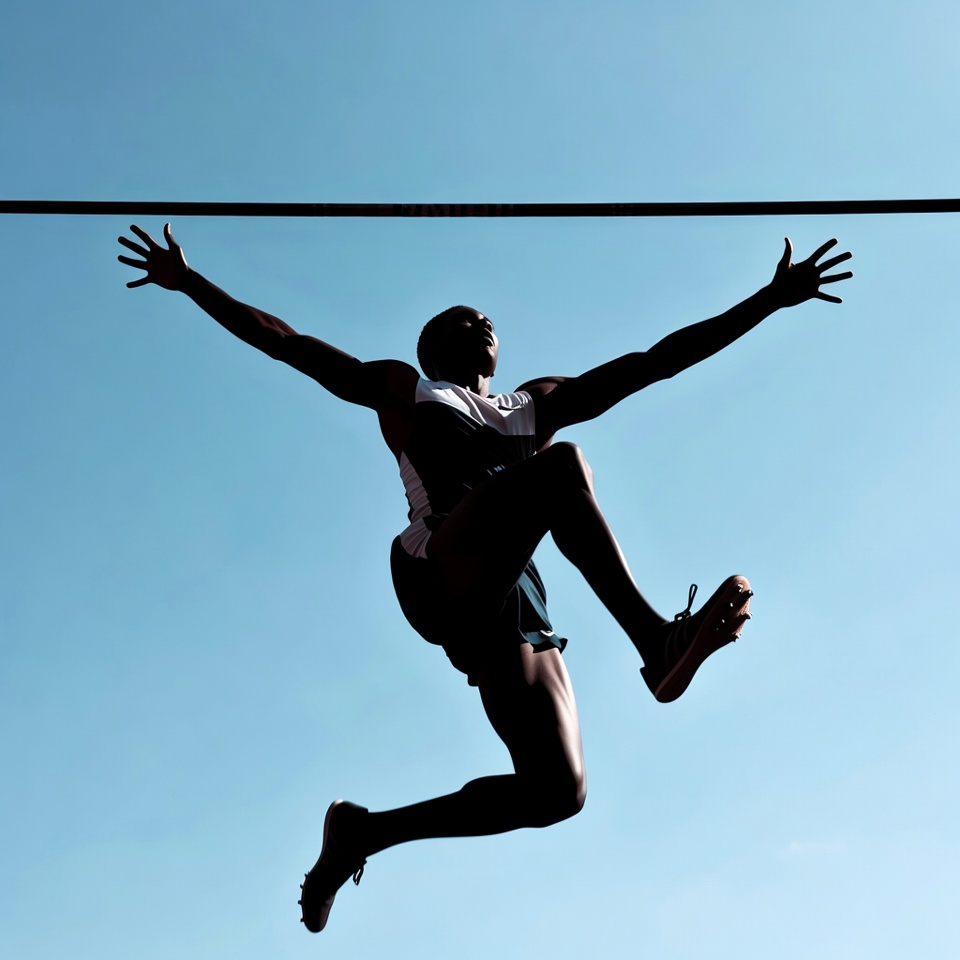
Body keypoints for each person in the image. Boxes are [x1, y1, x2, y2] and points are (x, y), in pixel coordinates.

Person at [118, 224, 852, 932]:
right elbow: (289, 346)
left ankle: (361, 834)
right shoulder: (405, 391)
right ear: (439, 344)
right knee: (561, 470)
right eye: (469, 318)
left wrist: (766, 300)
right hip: (441, 568)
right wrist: (190, 284)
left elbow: (655, 361)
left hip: (509, 603)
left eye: (489, 318)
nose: (487, 320)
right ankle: (657, 642)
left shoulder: (535, 405)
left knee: (558, 790)